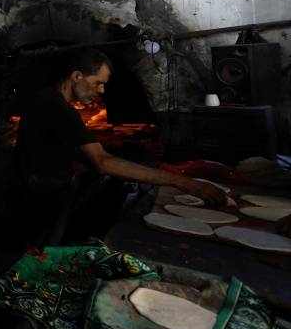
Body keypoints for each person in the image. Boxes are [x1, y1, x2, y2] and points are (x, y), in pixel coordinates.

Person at [12, 48, 228, 242]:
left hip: (29, 194)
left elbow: (49, 146)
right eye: (98, 82)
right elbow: (103, 162)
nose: (102, 90)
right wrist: (183, 182)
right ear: (77, 76)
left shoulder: (44, 98)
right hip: (41, 201)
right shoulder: (61, 109)